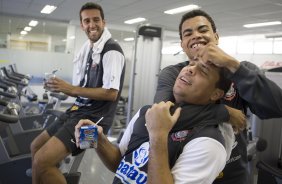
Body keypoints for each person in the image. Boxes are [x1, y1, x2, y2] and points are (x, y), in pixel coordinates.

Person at [154, 9, 282, 184]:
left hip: (233, 176)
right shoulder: (175, 73)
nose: (196, 36)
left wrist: (232, 65)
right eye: (188, 33)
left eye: (203, 30)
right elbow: (161, 116)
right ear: (183, 44)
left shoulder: (242, 70)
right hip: (186, 173)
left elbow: (276, 107)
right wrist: (223, 112)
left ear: (216, 37)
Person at [74, 61, 242, 184]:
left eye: (203, 71)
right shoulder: (145, 113)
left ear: (215, 94)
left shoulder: (209, 143)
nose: (190, 69)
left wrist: (158, 135)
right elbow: (120, 163)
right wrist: (98, 139)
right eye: (191, 64)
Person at [30, 2, 125, 184]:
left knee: (42, 161)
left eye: (96, 20)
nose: (92, 25)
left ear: (103, 22)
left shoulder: (112, 50)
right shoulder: (89, 50)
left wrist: (71, 89)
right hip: (78, 111)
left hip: (95, 123)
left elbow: (112, 93)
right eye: (87, 21)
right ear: (82, 25)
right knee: (36, 147)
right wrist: (60, 87)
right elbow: (83, 90)